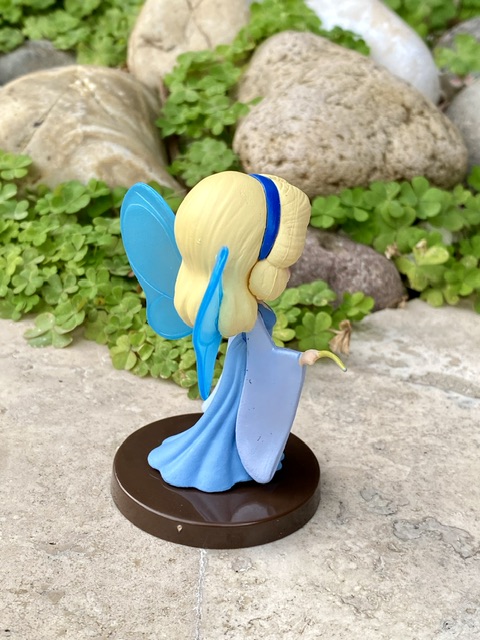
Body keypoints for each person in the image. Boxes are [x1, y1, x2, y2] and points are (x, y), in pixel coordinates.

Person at [121, 171, 344, 493]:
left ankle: (221, 450)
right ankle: (222, 460)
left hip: (239, 378)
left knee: (230, 411)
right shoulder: (245, 314)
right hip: (245, 380)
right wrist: (299, 358)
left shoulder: (231, 300)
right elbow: (264, 357)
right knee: (234, 418)